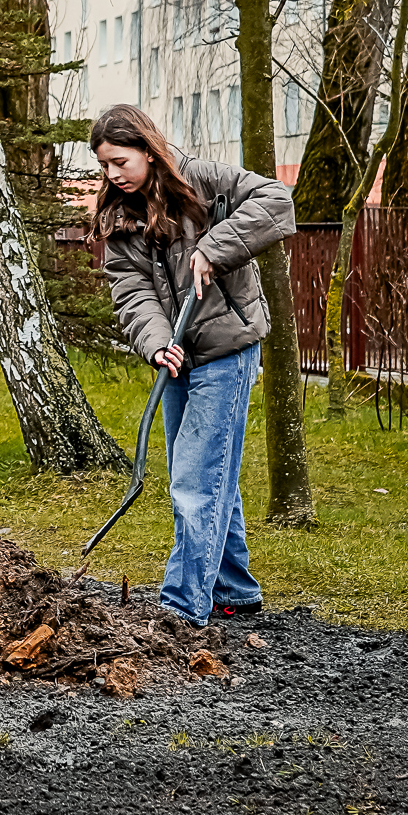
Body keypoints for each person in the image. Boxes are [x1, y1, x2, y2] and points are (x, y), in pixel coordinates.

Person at [90, 104, 296, 629]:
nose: (113, 174)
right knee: (212, 468)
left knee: (195, 478)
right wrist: (159, 344)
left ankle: (182, 607)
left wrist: (215, 246)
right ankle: (234, 588)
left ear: (146, 148)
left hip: (227, 350)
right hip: (178, 358)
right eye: (104, 165)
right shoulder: (119, 217)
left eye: (120, 161)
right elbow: (131, 292)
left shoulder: (204, 182)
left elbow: (277, 200)